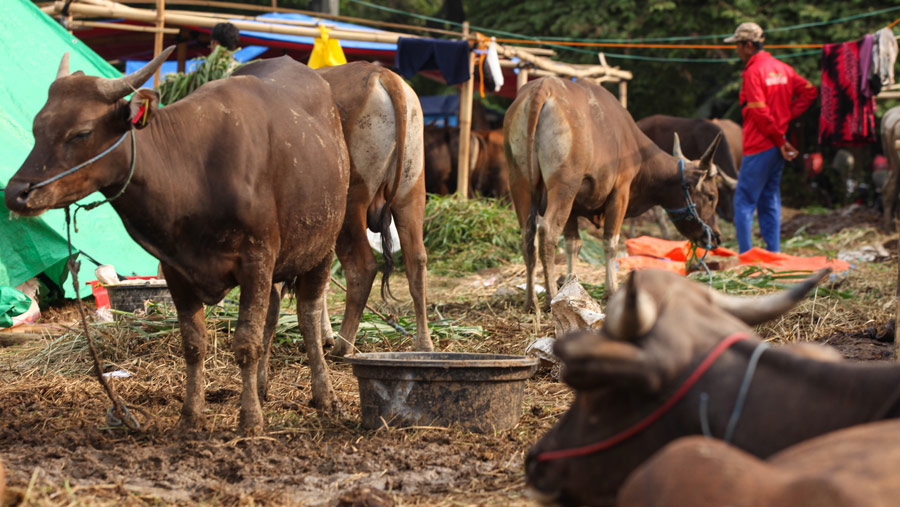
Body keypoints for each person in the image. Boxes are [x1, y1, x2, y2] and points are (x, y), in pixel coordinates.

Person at [727, 22, 817, 253]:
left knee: (744, 201)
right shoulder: (783, 68)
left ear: (748, 45)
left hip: (761, 144)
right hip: (777, 146)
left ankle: (746, 255)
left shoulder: (753, 72)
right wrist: (785, 120)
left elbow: (759, 112)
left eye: (737, 45)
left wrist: (779, 138)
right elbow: (810, 91)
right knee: (770, 199)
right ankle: (773, 253)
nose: (736, 50)